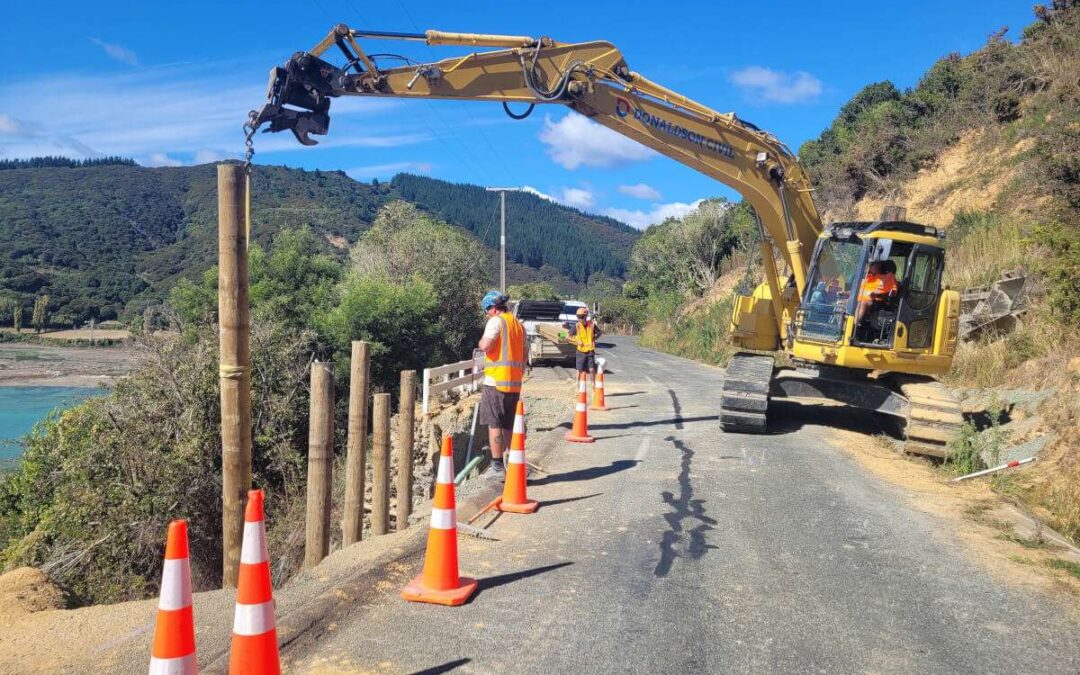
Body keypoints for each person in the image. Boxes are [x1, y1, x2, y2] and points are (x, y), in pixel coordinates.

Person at [477, 290, 525, 480]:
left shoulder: (496, 321)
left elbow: (485, 346)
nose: (486, 315)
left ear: (493, 308)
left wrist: (481, 342)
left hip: (496, 382)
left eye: (486, 311)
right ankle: (512, 465)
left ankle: (497, 467)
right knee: (508, 424)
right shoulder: (518, 326)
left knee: (495, 423)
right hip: (514, 384)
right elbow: (524, 355)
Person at [567, 306, 602, 388]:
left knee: (591, 369)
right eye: (578, 317)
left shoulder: (592, 325)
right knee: (579, 369)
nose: (580, 319)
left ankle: (593, 385)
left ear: (586, 317)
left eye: (582, 317)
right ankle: (577, 384)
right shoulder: (576, 326)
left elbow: (600, 332)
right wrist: (576, 341)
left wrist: (594, 339)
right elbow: (568, 337)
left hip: (590, 350)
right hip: (580, 351)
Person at [854, 260, 898, 324]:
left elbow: (892, 293)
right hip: (857, 300)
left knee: (862, 304)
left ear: (879, 264)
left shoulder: (888, 277)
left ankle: (855, 324)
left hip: (874, 302)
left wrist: (877, 295)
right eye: (869, 264)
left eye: (872, 264)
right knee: (843, 303)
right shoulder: (867, 277)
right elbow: (858, 290)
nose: (869, 266)